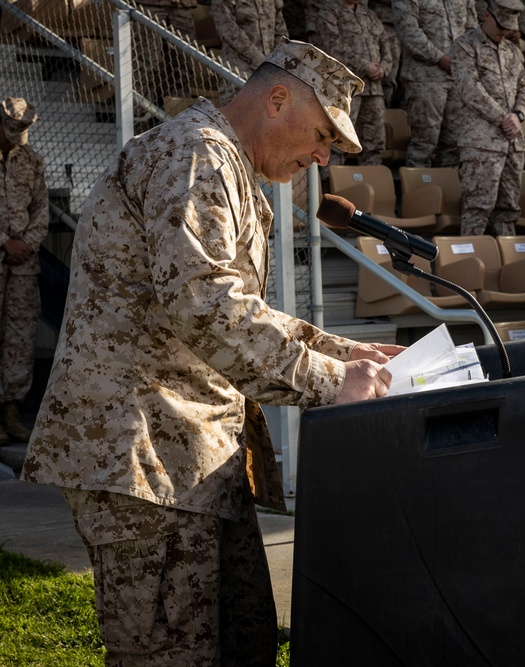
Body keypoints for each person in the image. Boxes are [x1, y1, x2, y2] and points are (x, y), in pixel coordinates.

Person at [21, 40, 405, 664]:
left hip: (190, 459)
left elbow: (230, 305)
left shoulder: (217, 161)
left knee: (243, 643)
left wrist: (346, 350)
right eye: (320, 135)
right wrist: (331, 381)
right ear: (277, 99)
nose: (320, 155)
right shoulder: (194, 154)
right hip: (145, 459)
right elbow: (207, 308)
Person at [451, 0, 525, 236]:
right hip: (481, 143)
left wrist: (518, 116)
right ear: (487, 15)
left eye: (510, 27)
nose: (505, 31)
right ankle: (470, 266)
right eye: (501, 25)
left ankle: (505, 268)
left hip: (513, 143)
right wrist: (503, 119)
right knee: (477, 210)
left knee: (508, 212)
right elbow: (470, 89)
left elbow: (524, 88)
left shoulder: (513, 52)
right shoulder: (465, 46)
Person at [0, 98, 47, 445]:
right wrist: (5, 242)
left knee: (19, 340)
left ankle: (11, 413)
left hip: (24, 266)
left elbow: (41, 207)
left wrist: (26, 244)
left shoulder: (32, 160)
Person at [393, 0, 477, 167]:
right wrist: (439, 57)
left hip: (457, 79)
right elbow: (409, 32)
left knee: (454, 143)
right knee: (424, 143)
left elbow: (472, 30)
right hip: (425, 78)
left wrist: (463, 58)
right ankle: (419, 190)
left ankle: (448, 188)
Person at [308, 0, 392, 166]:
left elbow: (386, 48)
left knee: (374, 143)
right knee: (338, 141)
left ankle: (372, 184)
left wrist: (383, 68)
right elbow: (332, 47)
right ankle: (332, 186)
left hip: (373, 90)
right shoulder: (329, 11)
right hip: (344, 90)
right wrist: (364, 66)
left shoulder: (369, 15)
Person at [212, 0, 288, 104]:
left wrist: (273, 61)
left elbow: (280, 32)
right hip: (239, 72)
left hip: (270, 71)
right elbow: (227, 31)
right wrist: (259, 60)